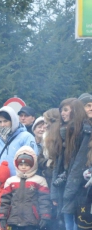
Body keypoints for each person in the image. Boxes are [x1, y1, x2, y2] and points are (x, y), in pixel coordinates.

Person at [51, 98, 92, 230]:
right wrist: (55, 192)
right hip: (65, 184)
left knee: (77, 224)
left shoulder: (85, 131)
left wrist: (69, 191)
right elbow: (57, 165)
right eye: (61, 110)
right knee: (67, 223)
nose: (62, 113)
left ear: (76, 111)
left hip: (79, 187)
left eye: (66, 110)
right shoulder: (62, 132)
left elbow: (79, 164)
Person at [0, 146, 51, 230]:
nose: (23, 167)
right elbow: (5, 201)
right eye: (21, 164)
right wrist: (2, 216)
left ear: (33, 165)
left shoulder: (39, 180)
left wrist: (45, 215)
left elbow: (44, 200)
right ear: (16, 164)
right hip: (14, 219)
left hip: (32, 220)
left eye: (27, 165)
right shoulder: (10, 181)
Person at [0, 106, 38, 189]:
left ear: (13, 121)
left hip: (19, 188)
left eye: (5, 121)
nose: (2, 125)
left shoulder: (26, 137)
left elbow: (32, 164)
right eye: (0, 122)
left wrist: (24, 188)